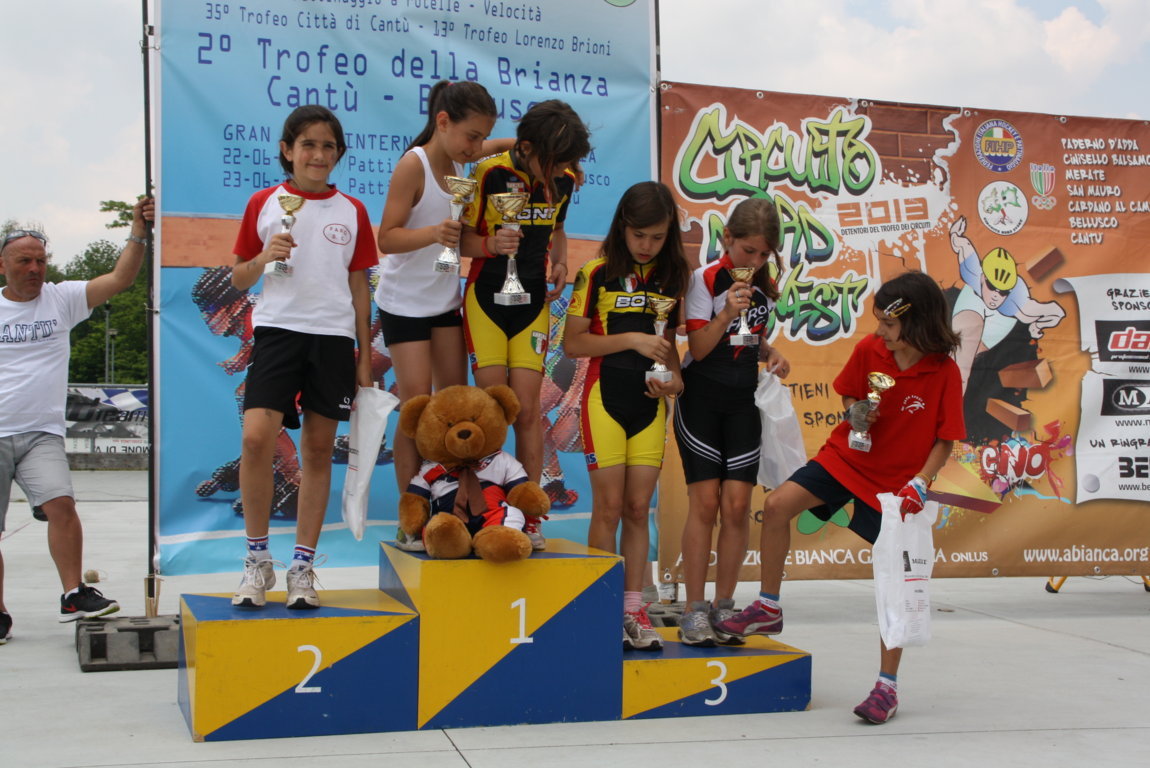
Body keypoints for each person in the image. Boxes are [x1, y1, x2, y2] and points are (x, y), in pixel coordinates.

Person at [716, 270, 965, 724]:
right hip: (845, 460)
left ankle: (886, 687)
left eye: (889, 324)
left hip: (896, 486)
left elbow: (945, 438)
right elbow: (849, 393)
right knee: (776, 505)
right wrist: (856, 412)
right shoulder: (870, 349)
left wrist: (922, 481)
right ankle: (768, 605)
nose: (880, 332)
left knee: (893, 581)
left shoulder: (943, 370)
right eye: (880, 322)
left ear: (916, 323)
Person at [229, 104, 377, 610]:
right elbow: (239, 277)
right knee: (256, 439)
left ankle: (301, 567)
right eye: (308, 144)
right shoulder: (264, 203)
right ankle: (257, 560)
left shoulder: (352, 211)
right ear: (287, 150)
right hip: (277, 331)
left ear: (338, 154)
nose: (318, 154)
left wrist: (363, 355)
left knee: (317, 451)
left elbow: (360, 287)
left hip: (333, 337)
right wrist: (263, 257)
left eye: (328, 145)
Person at [0, 197, 153, 638]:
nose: (35, 268)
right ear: (3, 265)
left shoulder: (62, 298)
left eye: (41, 260)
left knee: (62, 506)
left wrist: (138, 232)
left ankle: (73, 594)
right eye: (24, 261)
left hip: (41, 434)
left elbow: (121, 278)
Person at [375, 81, 514, 522]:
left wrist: (538, 150)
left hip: (444, 303)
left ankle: (455, 508)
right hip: (404, 306)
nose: (476, 148)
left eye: (480, 137)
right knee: (417, 411)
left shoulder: (461, 159)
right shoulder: (412, 166)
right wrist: (434, 233)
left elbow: (495, 145)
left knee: (457, 410)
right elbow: (387, 238)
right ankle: (412, 515)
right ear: (442, 122)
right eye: (471, 136)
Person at [563, 182, 689, 650]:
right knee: (609, 507)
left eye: (657, 237)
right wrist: (632, 340)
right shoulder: (596, 273)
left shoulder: (673, 276)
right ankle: (602, 608)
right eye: (639, 235)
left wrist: (675, 382)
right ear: (622, 227)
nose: (646, 245)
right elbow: (572, 342)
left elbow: (668, 347)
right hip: (605, 399)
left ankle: (633, 609)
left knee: (639, 509)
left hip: (649, 407)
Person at [460, 99, 591, 548]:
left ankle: (529, 517)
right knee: (491, 412)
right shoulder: (489, 173)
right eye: (553, 163)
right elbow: (459, 239)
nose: (558, 173)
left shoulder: (564, 178)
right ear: (529, 147)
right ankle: (487, 513)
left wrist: (561, 262)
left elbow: (558, 229)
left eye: (565, 164)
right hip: (486, 301)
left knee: (529, 411)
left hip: (533, 302)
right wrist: (490, 245)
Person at [672, 198, 791, 648]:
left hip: (743, 402)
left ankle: (725, 607)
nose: (755, 261)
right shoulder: (703, 279)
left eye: (763, 254)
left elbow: (751, 339)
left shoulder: (762, 285)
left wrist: (771, 353)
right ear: (727, 239)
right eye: (748, 251)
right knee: (705, 504)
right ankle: (693, 609)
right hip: (701, 401)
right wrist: (725, 310)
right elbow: (700, 348)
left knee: (738, 506)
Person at [949, 215, 1064, 393]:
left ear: (1010, 291)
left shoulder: (1018, 304)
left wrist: (1037, 326)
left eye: (1003, 292)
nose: (996, 296)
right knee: (960, 358)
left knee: (962, 363)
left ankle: (952, 403)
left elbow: (1057, 312)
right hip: (972, 305)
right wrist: (955, 232)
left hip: (997, 323)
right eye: (992, 287)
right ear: (983, 277)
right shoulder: (972, 272)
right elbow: (960, 243)